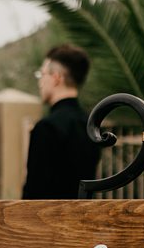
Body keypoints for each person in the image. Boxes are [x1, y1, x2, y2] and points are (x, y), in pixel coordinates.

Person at [23, 44, 100, 199]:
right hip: (84, 217)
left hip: (51, 219)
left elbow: (35, 191)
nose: (40, 82)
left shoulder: (47, 128)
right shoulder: (91, 125)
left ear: (56, 77)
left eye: (42, 74)